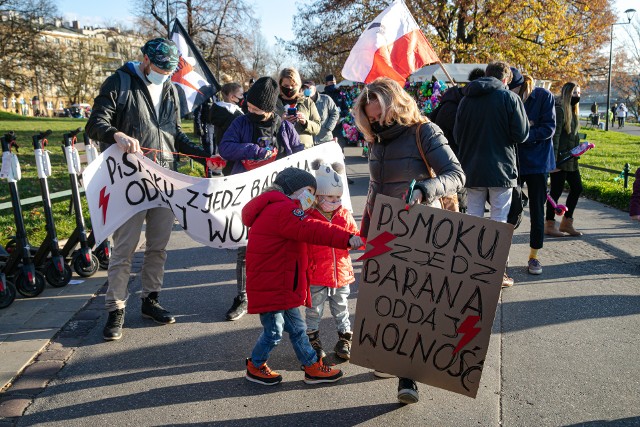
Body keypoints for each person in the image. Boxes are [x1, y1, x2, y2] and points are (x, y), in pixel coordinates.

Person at [86, 38, 215, 341]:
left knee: (158, 245)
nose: (164, 74)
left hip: (163, 177)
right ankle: (115, 308)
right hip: (128, 179)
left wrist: (202, 154)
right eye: (159, 68)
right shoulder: (118, 82)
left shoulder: (169, 87)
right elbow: (94, 124)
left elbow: (173, 133)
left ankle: (150, 300)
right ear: (145, 60)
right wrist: (116, 134)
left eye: (169, 71)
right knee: (125, 248)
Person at [352, 77, 465, 404]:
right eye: (370, 118)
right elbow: (376, 184)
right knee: (384, 300)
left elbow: (457, 175)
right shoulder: (376, 140)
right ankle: (390, 360)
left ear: (395, 106)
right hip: (382, 228)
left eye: (380, 115)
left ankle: (409, 378)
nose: (376, 122)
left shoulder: (424, 131)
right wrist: (367, 224)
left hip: (419, 227)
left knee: (411, 304)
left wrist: (427, 189)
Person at [242, 167, 363, 386]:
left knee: (297, 329)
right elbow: (313, 229)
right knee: (274, 331)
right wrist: (345, 238)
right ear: (293, 189)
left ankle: (311, 366)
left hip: (280, 283)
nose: (310, 196)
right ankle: (256, 365)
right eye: (308, 190)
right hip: (273, 284)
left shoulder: (278, 206)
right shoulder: (284, 209)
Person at [219, 76, 305, 321]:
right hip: (247, 195)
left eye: (256, 108)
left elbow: (298, 154)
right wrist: (254, 150)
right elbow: (226, 148)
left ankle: (281, 295)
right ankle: (243, 296)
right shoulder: (240, 123)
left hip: (279, 198)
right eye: (249, 106)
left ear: (268, 108)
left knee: (281, 248)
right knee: (245, 248)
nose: (250, 110)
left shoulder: (285, 128)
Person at [454, 61, 530, 288]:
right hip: (501, 168)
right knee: (499, 220)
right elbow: (522, 134)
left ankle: (473, 267)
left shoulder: (466, 99)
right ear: (505, 79)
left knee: (474, 218)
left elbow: (457, 135)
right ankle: (497, 271)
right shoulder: (510, 99)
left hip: (472, 168)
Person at [305, 160, 358, 361]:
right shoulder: (309, 216)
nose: (335, 200)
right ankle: (313, 340)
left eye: (338, 197)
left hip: (341, 273)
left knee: (341, 309)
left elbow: (355, 236)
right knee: (314, 311)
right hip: (317, 273)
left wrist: (358, 240)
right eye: (330, 196)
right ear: (318, 196)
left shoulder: (344, 214)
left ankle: (345, 339)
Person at [508, 69, 556, 275]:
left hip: (538, 163)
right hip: (515, 161)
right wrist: (528, 128)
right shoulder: (507, 98)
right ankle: (503, 256)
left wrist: (524, 133)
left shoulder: (543, 96)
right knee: (511, 208)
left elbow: (548, 128)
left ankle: (534, 256)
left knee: (538, 210)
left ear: (518, 86)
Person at [546, 82, 584, 236]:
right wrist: (553, 161)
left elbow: (571, 136)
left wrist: (580, 147)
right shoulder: (560, 110)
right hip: (560, 160)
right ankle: (549, 224)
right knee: (555, 192)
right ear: (567, 93)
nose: (577, 96)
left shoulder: (573, 111)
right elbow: (555, 137)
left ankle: (567, 222)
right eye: (574, 93)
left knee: (577, 188)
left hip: (571, 159)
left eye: (579, 93)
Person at [275, 68, 321, 149]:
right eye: (286, 86)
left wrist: (305, 123)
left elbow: (317, 127)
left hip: (303, 151)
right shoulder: (273, 103)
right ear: (280, 85)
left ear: (299, 85)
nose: (290, 88)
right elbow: (266, 129)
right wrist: (280, 122)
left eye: (293, 85)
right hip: (281, 152)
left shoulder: (307, 102)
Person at [207, 82, 244, 175]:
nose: (243, 97)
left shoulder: (223, 111)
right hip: (232, 153)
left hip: (229, 152)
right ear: (232, 97)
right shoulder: (231, 114)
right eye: (241, 95)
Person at [302, 80, 340, 145]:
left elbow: (335, 113)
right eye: (305, 89)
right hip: (308, 140)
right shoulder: (301, 102)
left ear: (314, 89)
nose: (307, 90)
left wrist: (328, 128)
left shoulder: (326, 99)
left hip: (324, 139)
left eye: (309, 88)